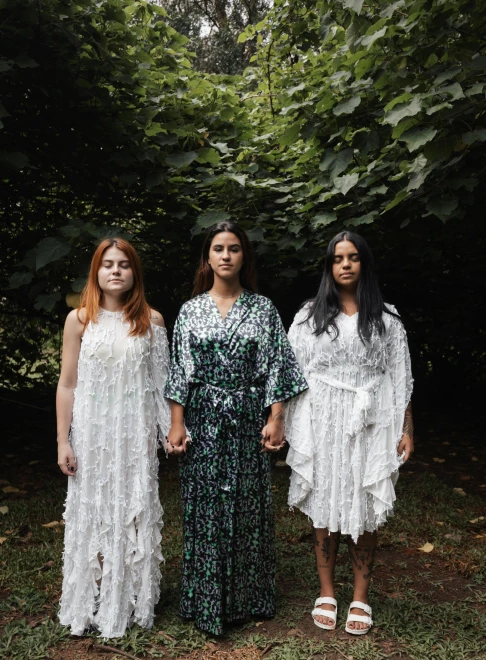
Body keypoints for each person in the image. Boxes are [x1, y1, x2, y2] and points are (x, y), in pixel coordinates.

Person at [164, 221, 308, 635]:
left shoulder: (263, 309)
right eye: (218, 249)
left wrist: (275, 419)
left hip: (248, 417)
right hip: (204, 419)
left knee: (249, 506)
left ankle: (250, 597)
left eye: (234, 249)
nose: (226, 256)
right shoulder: (190, 311)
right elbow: (179, 373)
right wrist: (177, 424)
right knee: (204, 507)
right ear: (207, 258)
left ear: (244, 257)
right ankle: (203, 599)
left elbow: (279, 368)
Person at [285, 231, 413, 635]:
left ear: (363, 264)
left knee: (364, 505)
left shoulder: (387, 319)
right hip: (322, 417)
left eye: (353, 257)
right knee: (324, 501)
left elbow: (400, 377)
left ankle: (360, 595)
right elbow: (293, 373)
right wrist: (288, 422)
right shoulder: (309, 316)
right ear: (329, 266)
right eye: (338, 258)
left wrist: (406, 427)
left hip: (370, 418)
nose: (345, 264)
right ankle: (326, 591)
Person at [56, 237, 170, 638]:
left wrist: (170, 431)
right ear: (96, 272)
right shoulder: (79, 320)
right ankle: (91, 599)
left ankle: (131, 598)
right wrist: (63, 441)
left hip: (134, 435)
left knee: (132, 510)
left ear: (134, 272)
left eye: (124, 264)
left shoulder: (151, 321)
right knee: (94, 512)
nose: (116, 270)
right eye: (108, 264)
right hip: (92, 434)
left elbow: (160, 386)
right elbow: (67, 384)